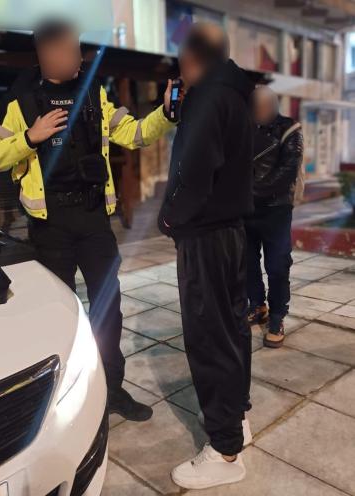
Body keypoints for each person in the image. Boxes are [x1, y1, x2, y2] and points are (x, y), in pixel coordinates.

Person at [0, 20, 177, 421]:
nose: (77, 57)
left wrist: (166, 114)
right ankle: (69, 392)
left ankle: (112, 389)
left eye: (78, 49)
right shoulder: (18, 99)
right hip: (50, 223)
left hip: (93, 218)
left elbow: (135, 134)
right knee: (60, 310)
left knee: (109, 308)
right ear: (46, 53)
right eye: (69, 50)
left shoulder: (93, 92)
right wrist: (29, 138)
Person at [158, 22, 254, 489]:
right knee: (232, 330)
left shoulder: (207, 96)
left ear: (191, 57)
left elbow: (193, 173)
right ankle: (235, 418)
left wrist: (169, 219)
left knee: (209, 339)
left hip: (206, 237)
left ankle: (225, 450)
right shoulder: (235, 92)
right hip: (232, 232)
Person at [246, 86, 304, 348]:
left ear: (273, 104)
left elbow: (287, 171)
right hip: (246, 210)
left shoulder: (290, 129)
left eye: (264, 104)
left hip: (277, 209)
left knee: (278, 265)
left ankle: (277, 316)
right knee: (246, 262)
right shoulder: (245, 128)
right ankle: (257, 306)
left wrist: (250, 192)